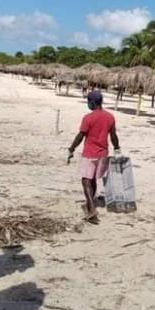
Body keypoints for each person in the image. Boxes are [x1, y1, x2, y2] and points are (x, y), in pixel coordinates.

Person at [68, 89, 120, 224]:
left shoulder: (88, 118)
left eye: (88, 102)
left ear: (92, 102)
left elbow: (80, 136)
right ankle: (91, 203)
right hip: (103, 154)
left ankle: (91, 211)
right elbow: (113, 135)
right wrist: (117, 147)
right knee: (93, 181)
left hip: (89, 154)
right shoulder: (110, 117)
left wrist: (72, 148)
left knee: (85, 180)